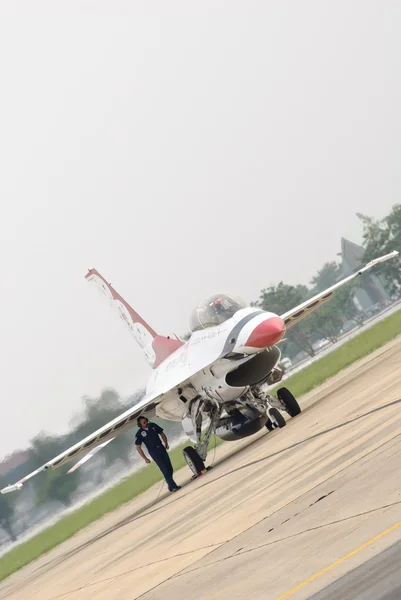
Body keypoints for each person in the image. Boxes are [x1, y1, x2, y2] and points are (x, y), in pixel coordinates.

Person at [135, 416, 181, 492]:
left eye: (146, 421)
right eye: (143, 422)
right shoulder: (139, 434)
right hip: (153, 452)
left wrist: (166, 443)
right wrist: (145, 458)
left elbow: (162, 434)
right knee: (164, 469)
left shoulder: (153, 425)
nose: (145, 422)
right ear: (140, 424)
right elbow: (138, 447)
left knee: (169, 467)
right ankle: (173, 486)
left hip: (161, 447)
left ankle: (170, 484)